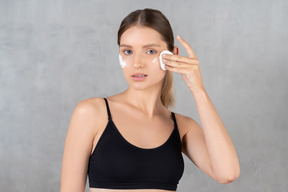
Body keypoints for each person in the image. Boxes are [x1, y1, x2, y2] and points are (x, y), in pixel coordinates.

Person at [60, 8, 240, 192]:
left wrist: (198, 90)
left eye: (150, 51)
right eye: (128, 51)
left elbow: (227, 173)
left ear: (172, 55)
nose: (137, 63)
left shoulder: (183, 127)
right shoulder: (92, 113)